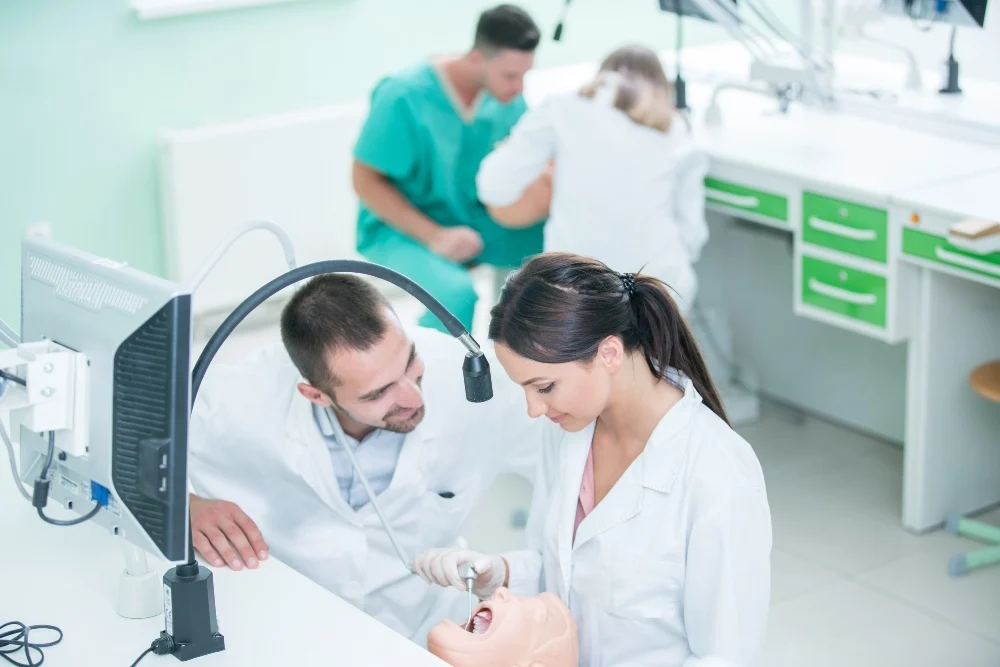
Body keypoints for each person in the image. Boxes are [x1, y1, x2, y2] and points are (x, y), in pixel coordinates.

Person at [414, 253, 772, 666]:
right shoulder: (569, 431)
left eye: (544, 387)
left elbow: (726, 656)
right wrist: (500, 572)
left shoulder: (716, 474)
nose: (533, 409)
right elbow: (560, 568)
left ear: (609, 354)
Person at [185, 273, 545, 645]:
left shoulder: (467, 378)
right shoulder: (236, 400)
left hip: (425, 630)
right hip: (292, 628)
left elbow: (568, 448)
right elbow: (123, 441)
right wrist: (184, 508)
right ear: (316, 395)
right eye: (379, 393)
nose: (413, 398)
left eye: (410, 363)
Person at [352, 4, 550, 334]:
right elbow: (364, 180)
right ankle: (428, 368)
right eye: (510, 75)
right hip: (399, 229)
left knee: (552, 259)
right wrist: (435, 236)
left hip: (473, 220)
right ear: (476, 58)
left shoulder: (506, 99)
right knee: (456, 294)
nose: (519, 87)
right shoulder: (403, 95)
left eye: (525, 74)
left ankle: (515, 347)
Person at [476, 45, 710, 314]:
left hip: (576, 289)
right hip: (659, 290)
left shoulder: (562, 107)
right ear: (659, 85)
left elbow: (494, 187)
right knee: (655, 355)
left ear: (603, 73)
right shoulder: (677, 129)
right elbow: (692, 236)